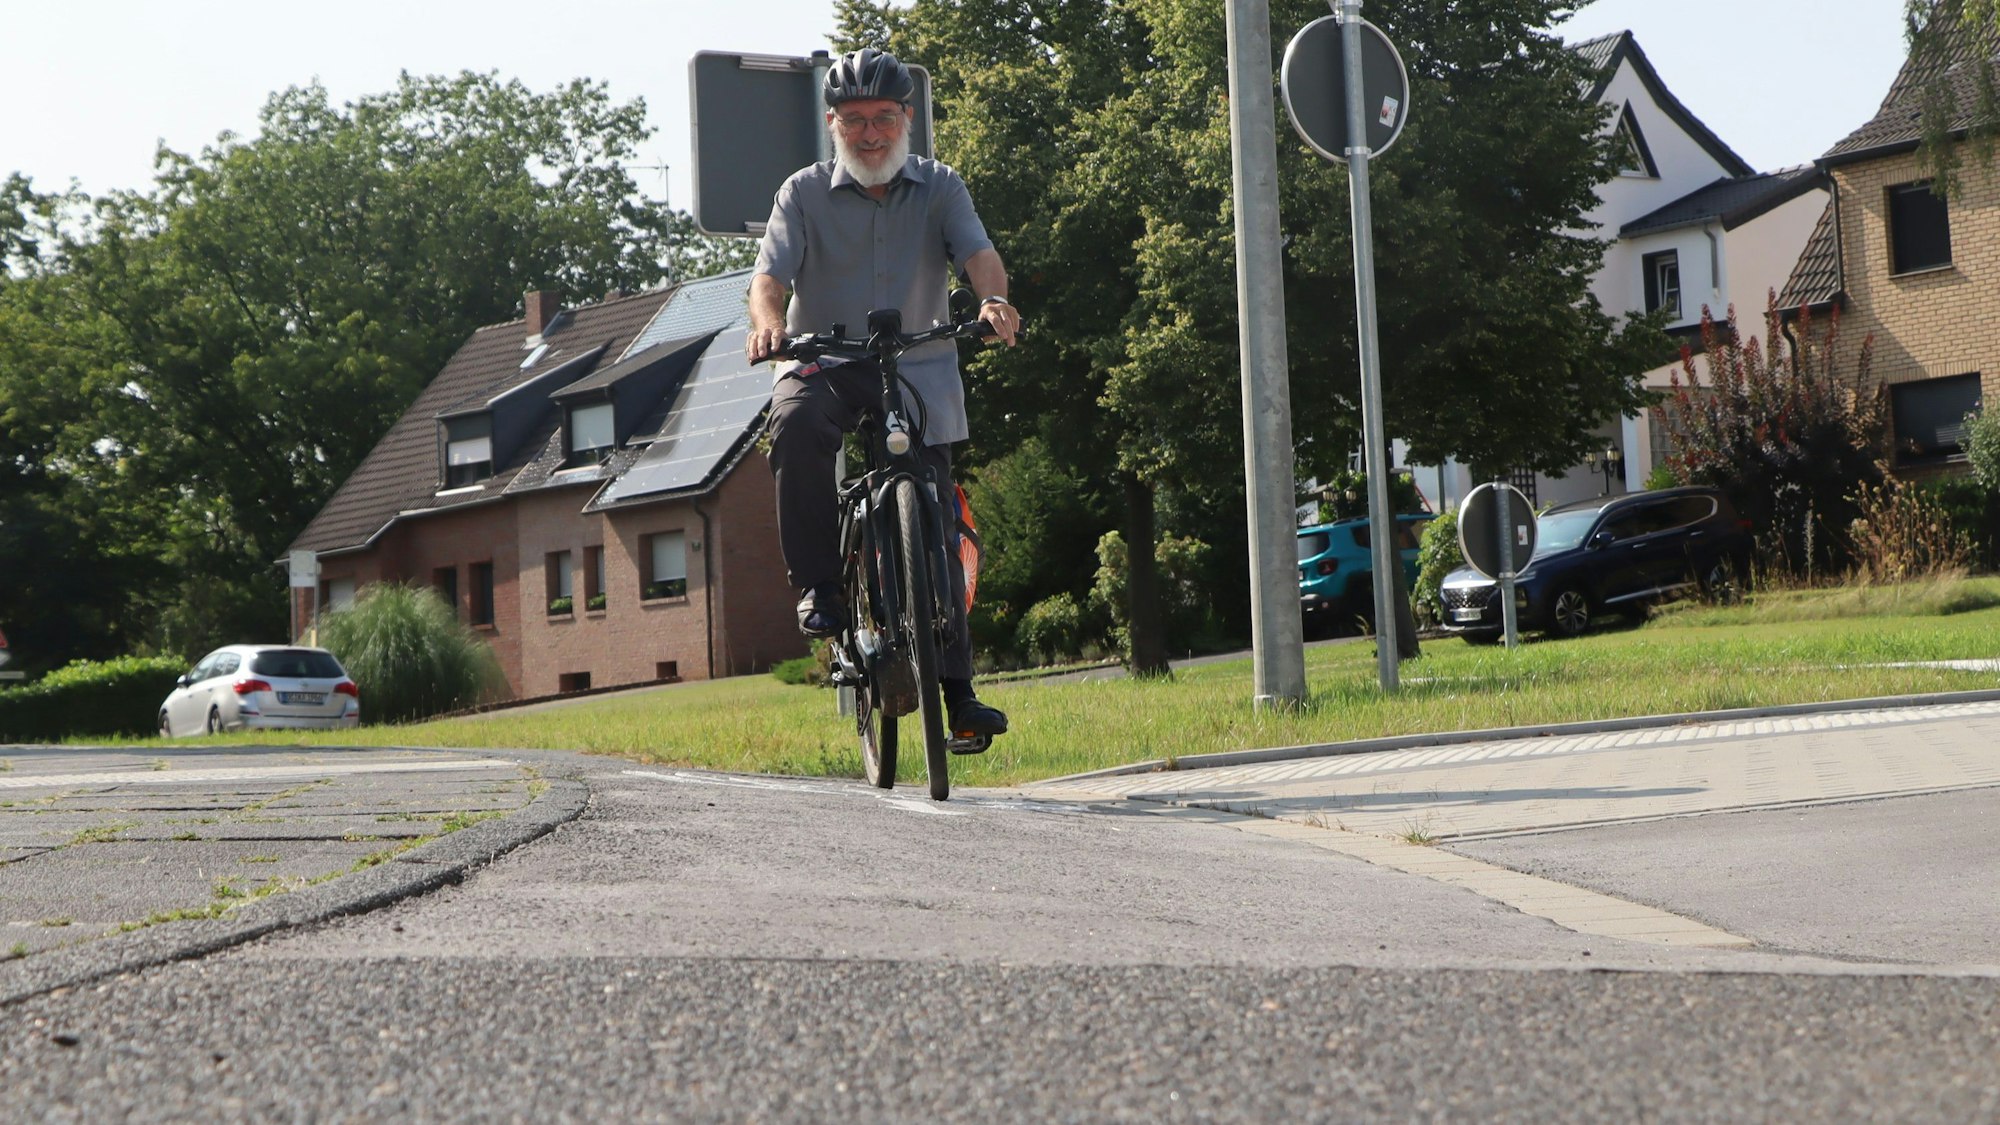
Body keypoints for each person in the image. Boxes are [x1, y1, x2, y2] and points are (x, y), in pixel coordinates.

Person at [746, 47, 1020, 740]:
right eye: (856, 120)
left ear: (907, 119)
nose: (871, 134)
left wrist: (992, 301)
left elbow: (979, 253)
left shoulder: (941, 186)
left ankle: (958, 694)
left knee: (936, 517)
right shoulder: (800, 193)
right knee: (795, 425)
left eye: (885, 119)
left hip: (916, 364)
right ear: (832, 121)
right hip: (826, 361)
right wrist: (771, 325)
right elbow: (769, 277)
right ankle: (822, 587)